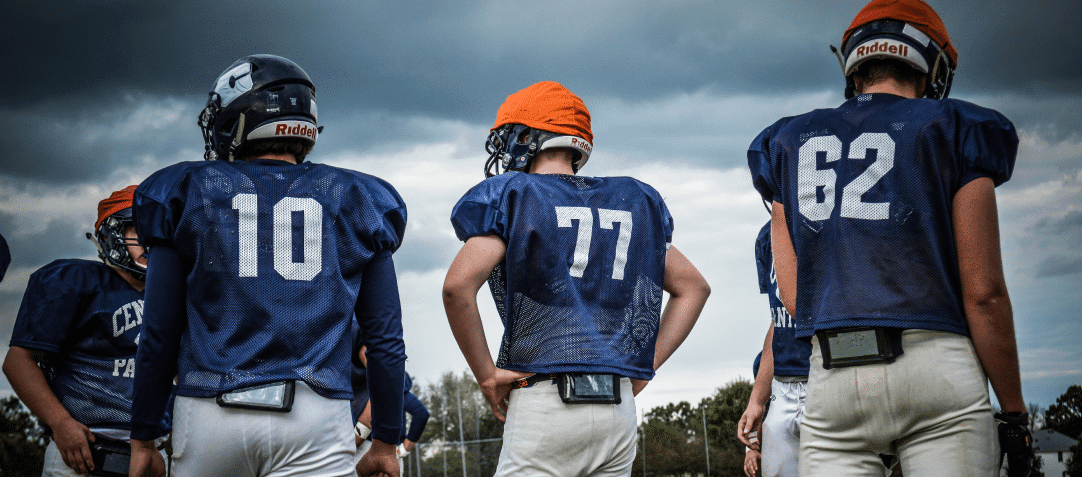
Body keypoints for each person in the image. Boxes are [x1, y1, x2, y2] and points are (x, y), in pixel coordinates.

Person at [747, 0, 1033, 475]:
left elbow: (794, 296)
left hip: (833, 372)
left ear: (854, 65)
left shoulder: (787, 142)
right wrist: (1015, 412)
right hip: (935, 365)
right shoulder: (955, 127)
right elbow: (984, 294)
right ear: (932, 67)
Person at [127, 54, 407, 477]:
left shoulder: (186, 189)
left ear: (235, 118)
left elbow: (158, 333)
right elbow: (385, 339)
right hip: (316, 414)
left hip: (209, 412)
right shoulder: (356, 195)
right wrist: (387, 439)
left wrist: (143, 436)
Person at [443, 81, 710, 476]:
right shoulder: (632, 200)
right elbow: (694, 288)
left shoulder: (515, 195)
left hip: (546, 403)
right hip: (617, 409)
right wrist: (644, 366)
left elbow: (457, 286)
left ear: (526, 138)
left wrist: (486, 374)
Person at [3, 186, 166, 476]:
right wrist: (60, 422)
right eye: (138, 230)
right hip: (85, 447)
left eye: (158, 230)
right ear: (112, 235)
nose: (150, 240)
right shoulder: (73, 281)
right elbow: (18, 361)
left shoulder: (177, 295)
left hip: (158, 449)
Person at [737, 221, 810, 477]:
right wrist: (756, 400)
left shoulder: (827, 220)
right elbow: (779, 320)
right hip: (783, 386)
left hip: (826, 376)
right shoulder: (768, 236)